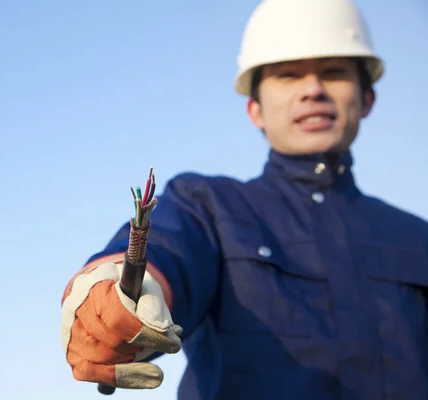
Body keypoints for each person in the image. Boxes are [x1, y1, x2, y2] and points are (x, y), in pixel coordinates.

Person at [60, 0, 428, 398]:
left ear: (367, 98)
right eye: (288, 75)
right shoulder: (208, 206)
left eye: (334, 72)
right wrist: (114, 296)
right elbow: (166, 253)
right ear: (255, 110)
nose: (313, 90)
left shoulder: (417, 238)